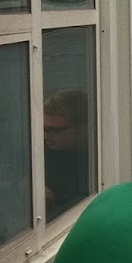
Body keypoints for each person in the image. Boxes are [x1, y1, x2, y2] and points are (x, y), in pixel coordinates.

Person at [43, 89, 92, 221]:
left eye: (55, 131)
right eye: (44, 129)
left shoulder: (97, 164)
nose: (46, 136)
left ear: (84, 128)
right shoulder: (43, 154)